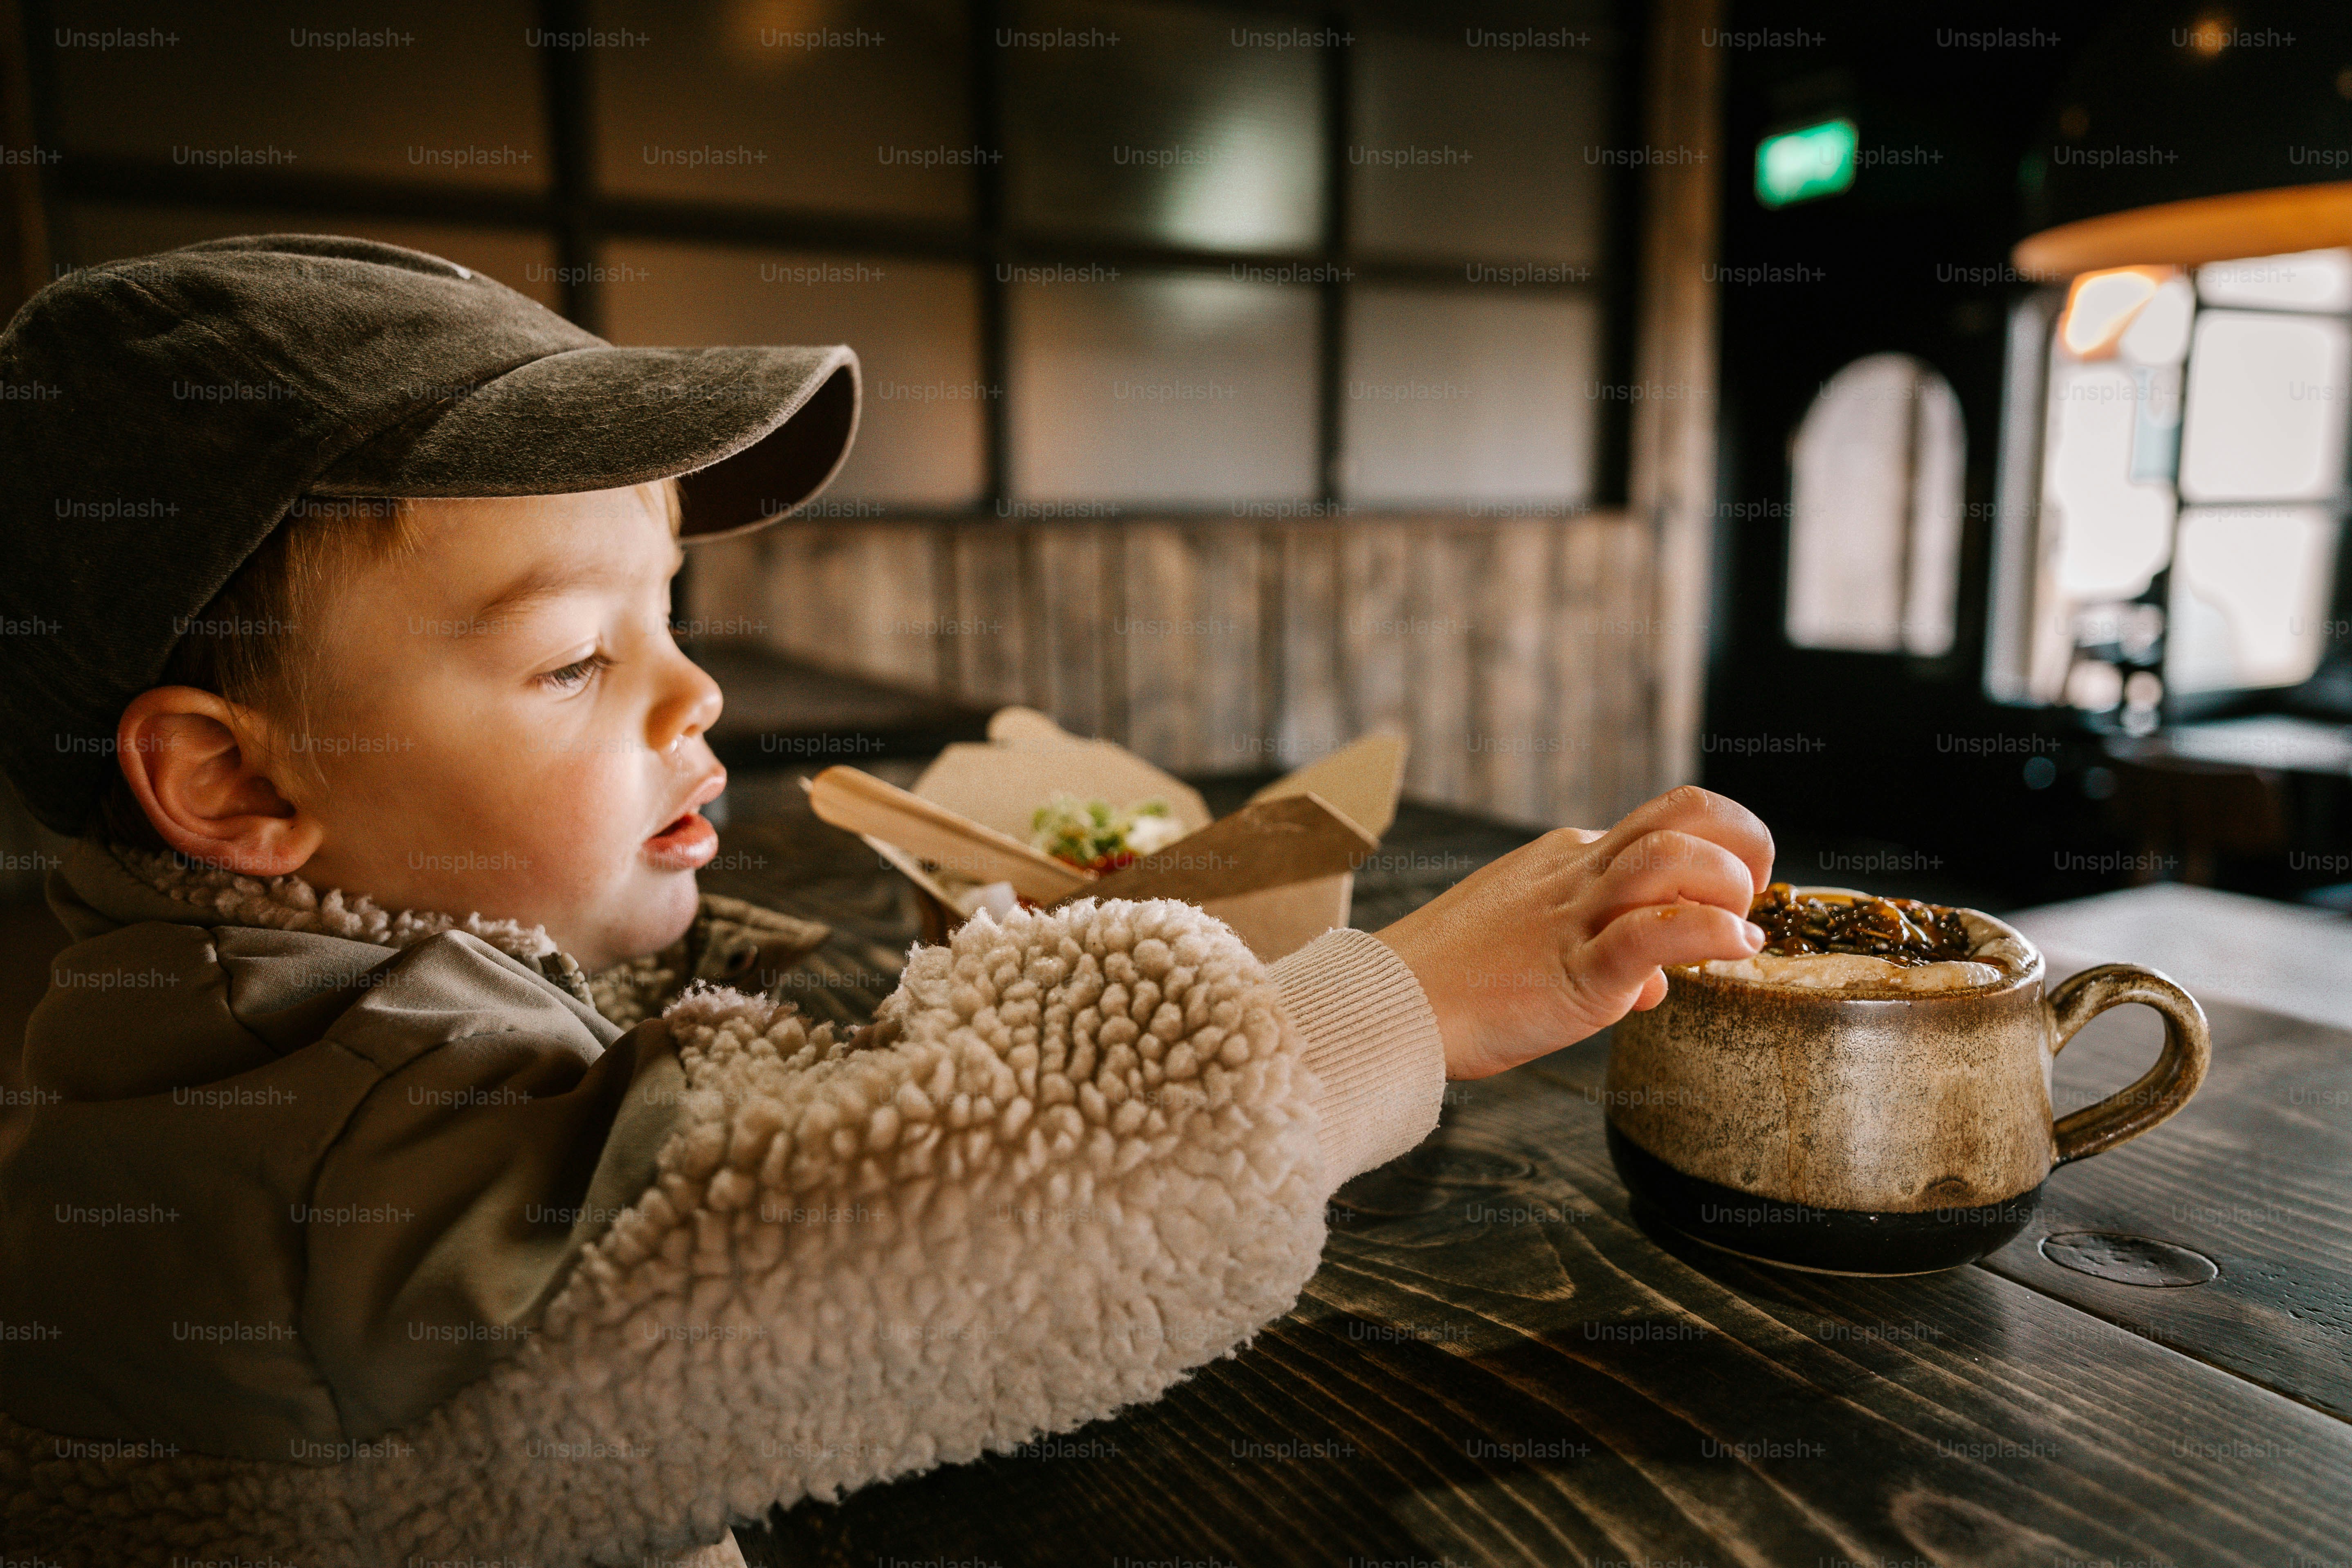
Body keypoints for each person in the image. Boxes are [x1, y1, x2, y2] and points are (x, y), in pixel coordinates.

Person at [0, 236, 1773, 1567]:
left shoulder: (249, 1016)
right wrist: (1393, 1005)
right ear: (236, 787)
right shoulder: (319, 1153)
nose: (694, 698)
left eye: (672, 612)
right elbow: (900, 1249)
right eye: (568, 660)